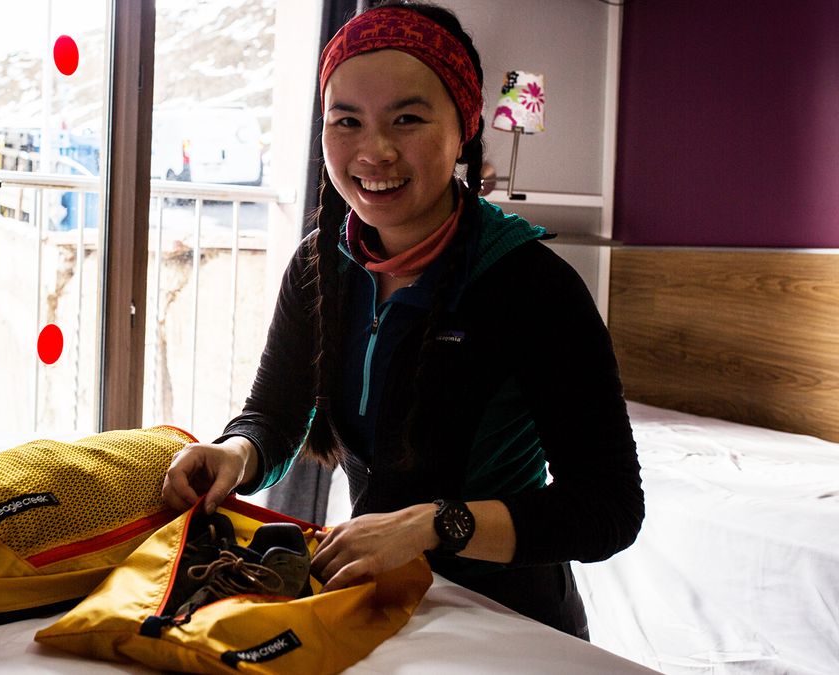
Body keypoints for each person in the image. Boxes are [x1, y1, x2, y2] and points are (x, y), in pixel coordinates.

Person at [162, 0, 643, 640]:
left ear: (465, 128)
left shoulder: (531, 284)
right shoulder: (321, 264)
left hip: (505, 620)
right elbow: (275, 415)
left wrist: (433, 525)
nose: (374, 151)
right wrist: (235, 453)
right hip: (370, 603)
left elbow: (608, 508)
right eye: (347, 121)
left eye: (407, 119)